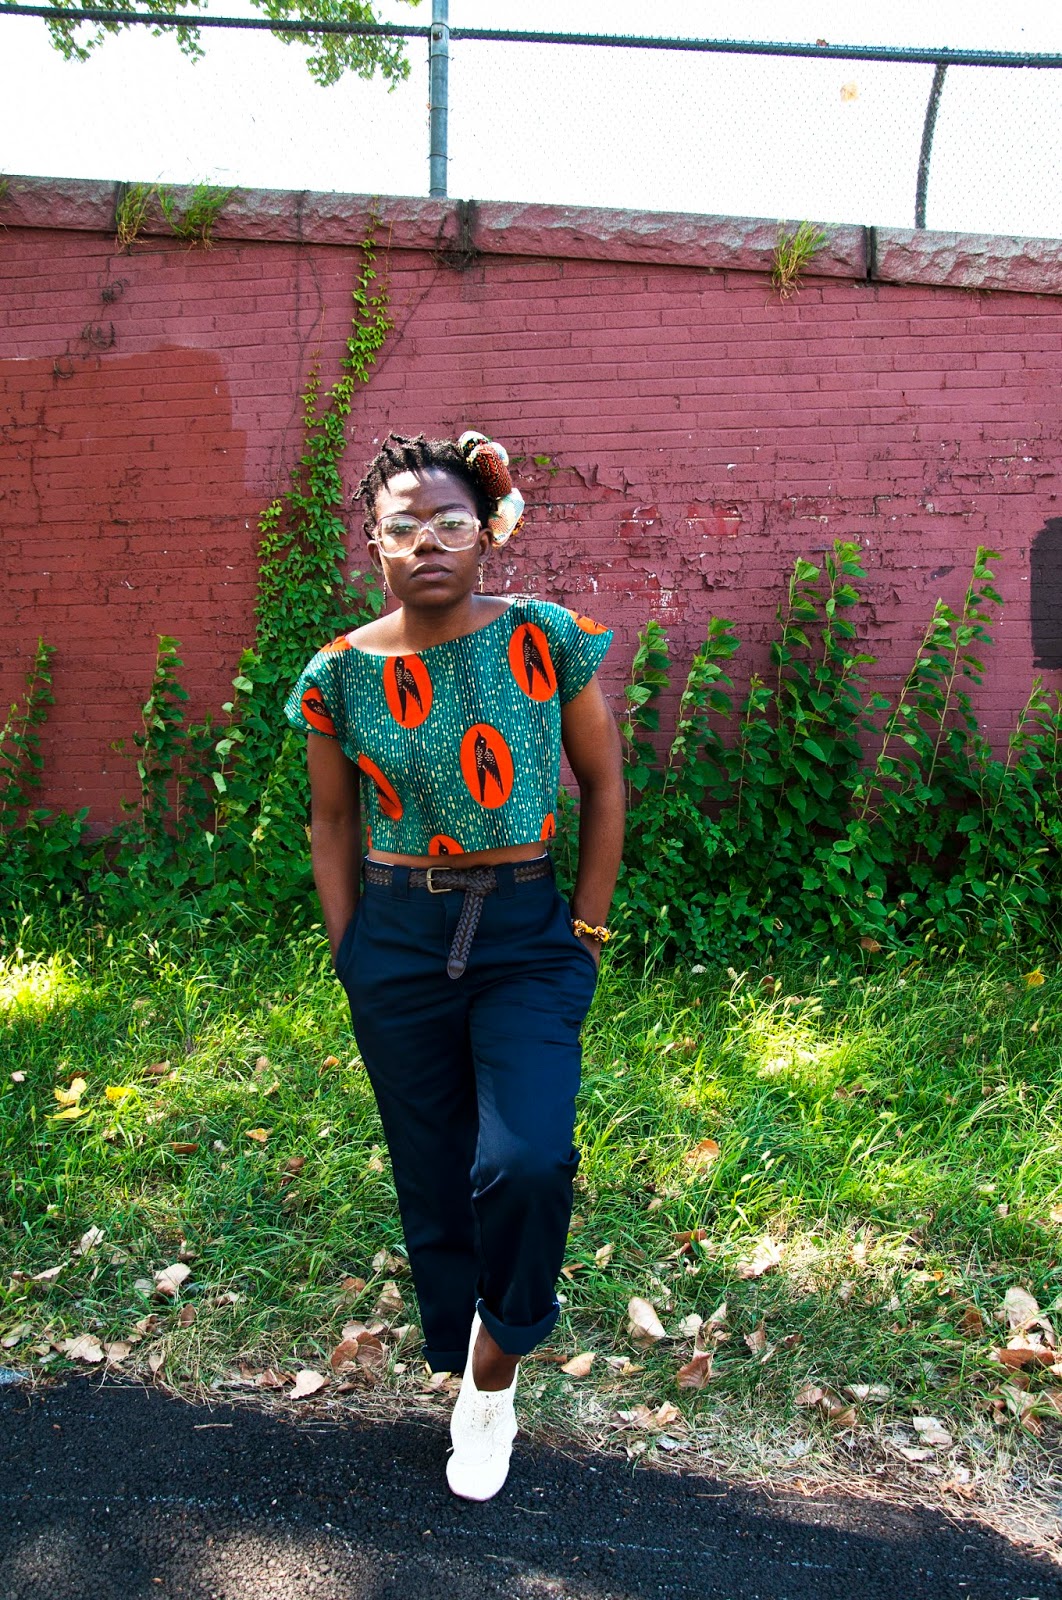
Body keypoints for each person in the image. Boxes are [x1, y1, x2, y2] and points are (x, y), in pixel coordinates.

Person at [285, 431, 625, 1501]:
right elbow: (330, 822)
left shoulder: (543, 637)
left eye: (450, 522)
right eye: (404, 526)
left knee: (526, 1160)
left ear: (485, 535)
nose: (427, 542)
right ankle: (459, 1355)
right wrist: (351, 950)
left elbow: (604, 786)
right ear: (374, 543)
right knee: (433, 1166)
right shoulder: (339, 674)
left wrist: (585, 930)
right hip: (396, 937)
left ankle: (495, 1367)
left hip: (524, 933)